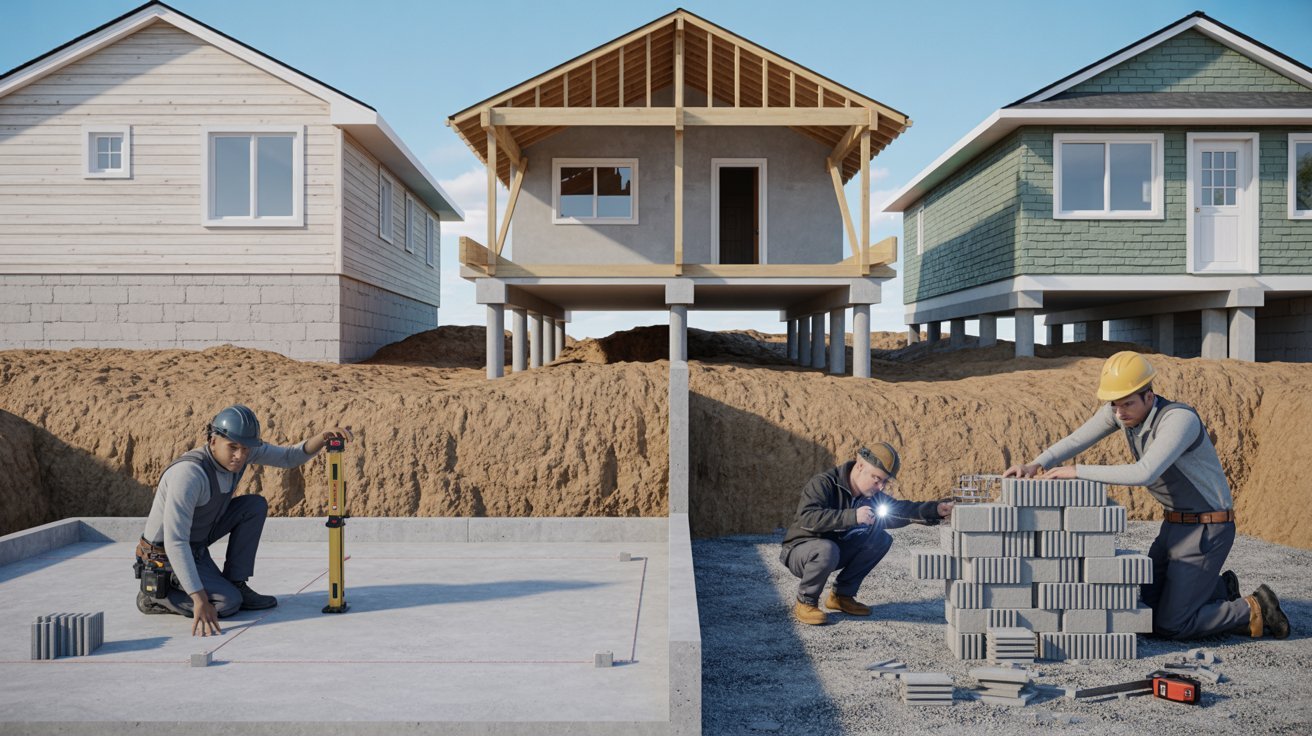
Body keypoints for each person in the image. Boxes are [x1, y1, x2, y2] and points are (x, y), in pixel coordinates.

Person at [1004, 351, 1289, 641]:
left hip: (1207, 528)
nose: (1119, 413)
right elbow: (1078, 438)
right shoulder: (1122, 412)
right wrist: (1036, 463)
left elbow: (1145, 472)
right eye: (1114, 405)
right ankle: (1218, 591)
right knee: (1147, 613)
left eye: (1127, 403)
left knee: (1171, 625)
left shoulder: (1179, 420)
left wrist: (1077, 471)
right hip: (1174, 526)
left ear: (1149, 396)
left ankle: (1254, 608)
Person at [135, 404, 351, 637]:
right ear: (213, 440)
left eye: (245, 449)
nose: (239, 456)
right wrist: (199, 599)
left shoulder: (241, 453)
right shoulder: (189, 475)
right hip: (164, 556)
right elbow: (176, 541)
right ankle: (156, 596)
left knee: (253, 506)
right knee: (228, 603)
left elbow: (288, 457)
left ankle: (236, 581)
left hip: (197, 543)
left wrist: (322, 437)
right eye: (233, 447)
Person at [781, 443, 953, 625]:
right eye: (876, 479)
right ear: (860, 465)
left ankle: (841, 596)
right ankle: (806, 601)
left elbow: (900, 510)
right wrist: (852, 516)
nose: (880, 487)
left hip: (834, 551)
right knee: (826, 549)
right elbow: (807, 518)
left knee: (880, 539)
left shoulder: (872, 496)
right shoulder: (824, 483)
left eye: (885, 482)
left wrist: (935, 510)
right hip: (801, 551)